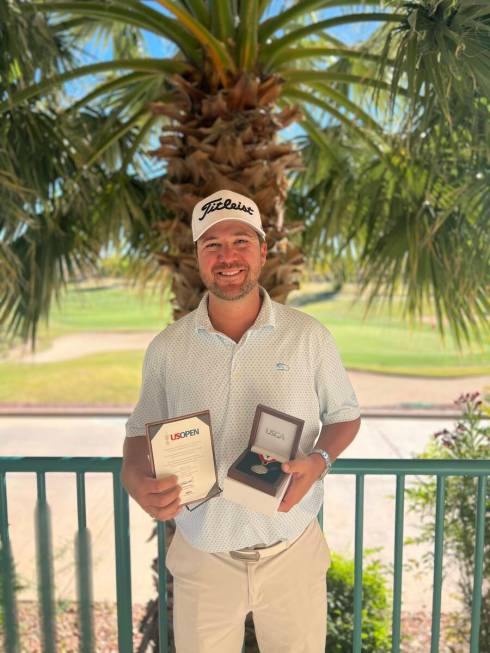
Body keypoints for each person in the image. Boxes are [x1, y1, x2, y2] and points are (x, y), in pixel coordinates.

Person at [122, 189, 361, 652]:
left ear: (263, 251)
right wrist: (133, 477)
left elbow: (345, 417)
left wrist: (320, 459)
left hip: (290, 550)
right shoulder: (168, 349)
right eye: (212, 244)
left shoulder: (307, 337)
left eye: (240, 241)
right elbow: (139, 433)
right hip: (203, 555)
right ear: (196, 255)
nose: (227, 256)